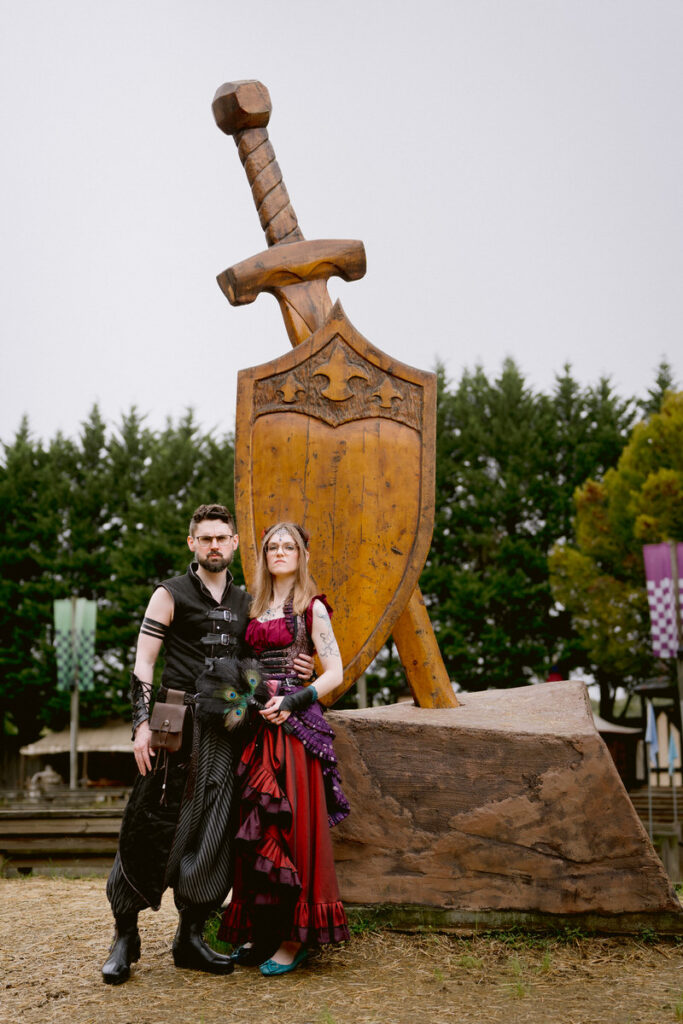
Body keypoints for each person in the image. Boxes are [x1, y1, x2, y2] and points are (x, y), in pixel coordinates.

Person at [101, 504, 313, 985]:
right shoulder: (168, 594)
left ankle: (190, 936)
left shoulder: (247, 601)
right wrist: (140, 726)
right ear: (192, 543)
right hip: (173, 727)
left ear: (235, 544)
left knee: (215, 829)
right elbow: (143, 665)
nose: (214, 545)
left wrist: (304, 668)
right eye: (206, 538)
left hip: (226, 731)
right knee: (149, 823)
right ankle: (124, 933)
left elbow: (269, 651)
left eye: (222, 538)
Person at [218, 521, 350, 976]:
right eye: (272, 546)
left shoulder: (312, 609)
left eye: (287, 545)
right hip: (255, 725)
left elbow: (334, 672)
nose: (279, 551)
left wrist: (295, 699)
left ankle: (294, 940)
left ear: (300, 554)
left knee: (292, 830)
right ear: (264, 556)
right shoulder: (253, 610)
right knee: (255, 831)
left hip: (293, 728)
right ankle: (262, 931)